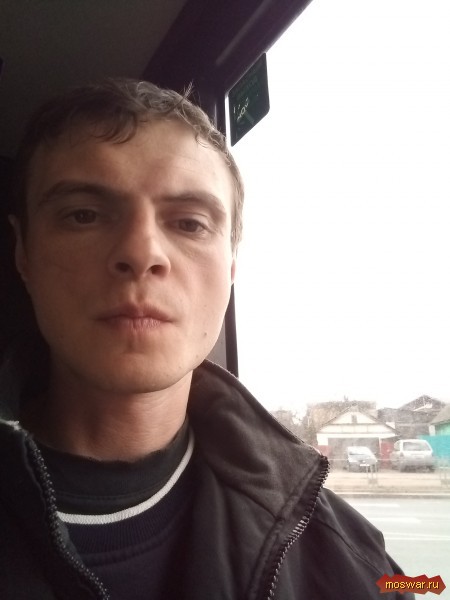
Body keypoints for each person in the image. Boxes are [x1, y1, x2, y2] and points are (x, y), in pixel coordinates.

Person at [0, 78, 413, 599]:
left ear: (232, 266)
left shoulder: (355, 561)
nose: (142, 252)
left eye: (191, 224)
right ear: (23, 253)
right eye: (83, 215)